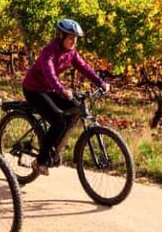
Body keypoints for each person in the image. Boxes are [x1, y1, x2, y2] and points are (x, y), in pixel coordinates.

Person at [23, 18, 109, 175]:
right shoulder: (49, 51)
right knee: (57, 120)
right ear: (61, 36)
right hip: (34, 89)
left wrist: (101, 82)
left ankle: (53, 148)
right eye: (70, 37)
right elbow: (49, 73)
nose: (74, 41)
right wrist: (61, 89)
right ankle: (41, 160)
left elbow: (84, 68)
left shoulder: (71, 53)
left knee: (76, 109)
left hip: (51, 89)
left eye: (76, 38)